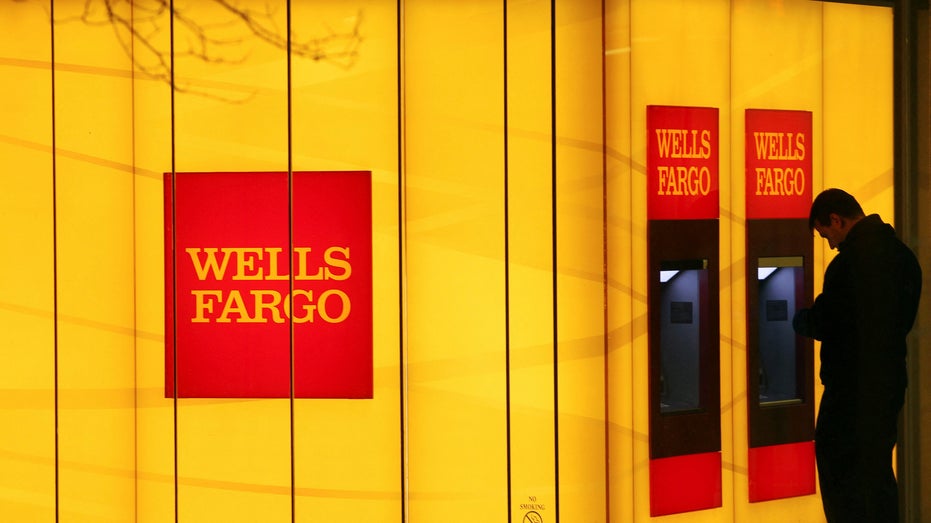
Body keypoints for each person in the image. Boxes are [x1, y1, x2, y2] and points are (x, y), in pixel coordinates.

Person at [792, 188, 922, 523]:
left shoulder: (847, 264)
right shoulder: (905, 258)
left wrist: (799, 319)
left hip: (849, 393)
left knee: (841, 479)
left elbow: (827, 321)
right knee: (876, 475)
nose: (831, 243)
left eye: (826, 235)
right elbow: (903, 322)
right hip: (889, 386)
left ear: (837, 219)